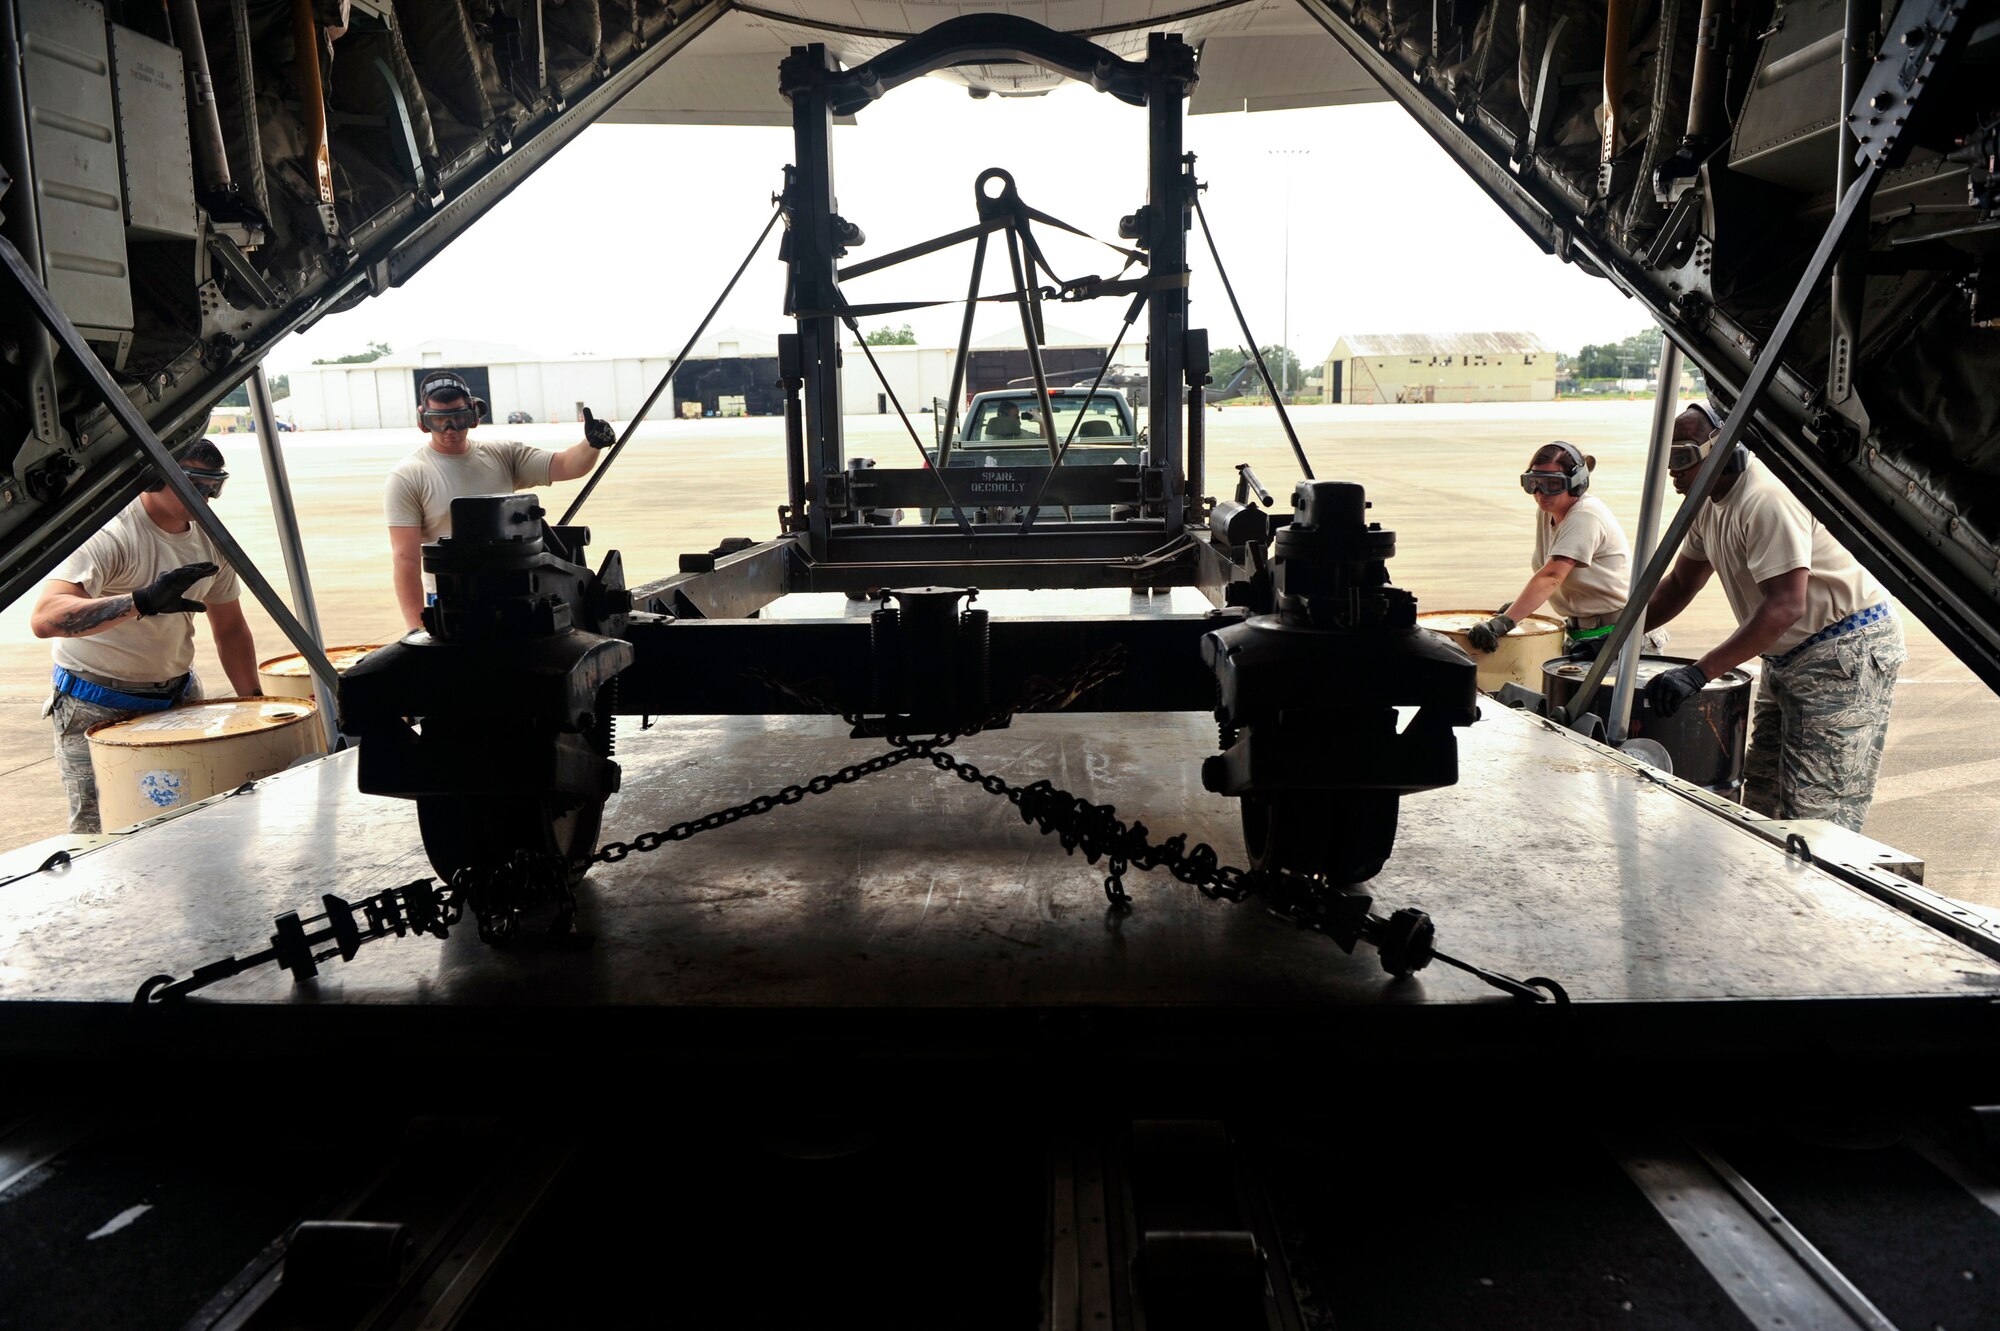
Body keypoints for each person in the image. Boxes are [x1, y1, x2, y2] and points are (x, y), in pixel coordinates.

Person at [1641, 401, 1906, 830]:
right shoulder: (1707, 501)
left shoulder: (1766, 498)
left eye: (1683, 457)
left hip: (1841, 653)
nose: (1673, 471)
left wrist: (1698, 673)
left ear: (1722, 448)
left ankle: (1820, 894)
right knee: (1763, 801)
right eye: (1667, 458)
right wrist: (1619, 634)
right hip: (1786, 657)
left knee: (1817, 816)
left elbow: (1785, 604)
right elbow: (1680, 585)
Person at [31, 441, 263, 833]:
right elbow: (45, 618)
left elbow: (231, 629)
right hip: (96, 703)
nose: (204, 497)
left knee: (195, 820)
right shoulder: (111, 533)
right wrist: (141, 601)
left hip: (177, 697)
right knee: (100, 830)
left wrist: (255, 705)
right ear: (156, 477)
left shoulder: (211, 541)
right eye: (192, 483)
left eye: (213, 487)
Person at [386, 371, 617, 630]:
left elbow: (564, 465)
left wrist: (591, 444)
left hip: (518, 596)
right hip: (452, 605)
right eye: (439, 421)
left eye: (459, 418)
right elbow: (405, 558)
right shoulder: (408, 476)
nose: (449, 429)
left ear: (473, 416)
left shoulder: (504, 456)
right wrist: (416, 629)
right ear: (423, 421)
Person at [1466, 441, 1639, 659]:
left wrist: (1504, 622)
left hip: (1616, 635)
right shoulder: (1549, 512)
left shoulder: (1585, 515)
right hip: (1582, 634)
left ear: (1576, 483)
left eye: (1552, 484)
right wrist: (1520, 608)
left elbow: (1552, 576)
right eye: (1534, 483)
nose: (1541, 492)